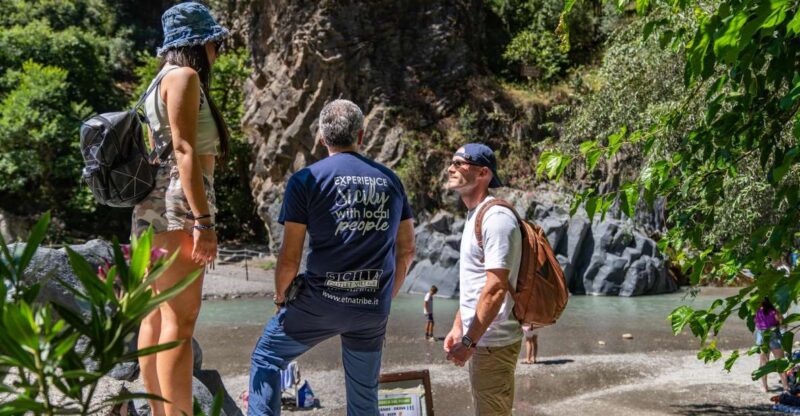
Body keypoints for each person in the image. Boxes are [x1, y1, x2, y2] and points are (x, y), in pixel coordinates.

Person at [248, 99, 416, 415]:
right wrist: (384, 299)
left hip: (319, 303)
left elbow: (289, 257)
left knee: (267, 357)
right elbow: (407, 250)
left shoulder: (306, 180)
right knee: (364, 401)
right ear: (361, 136)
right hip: (370, 306)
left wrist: (281, 296)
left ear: (322, 138)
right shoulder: (391, 180)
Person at [131, 3, 230, 414]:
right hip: (178, 206)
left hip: (150, 207)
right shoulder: (185, 77)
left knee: (156, 316)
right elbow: (185, 149)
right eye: (216, 42)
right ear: (200, 43)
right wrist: (203, 221)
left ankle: (158, 411)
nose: (218, 51)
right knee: (181, 323)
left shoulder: (157, 82)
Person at [443, 143, 523, 415]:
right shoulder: (475, 215)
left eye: (460, 162)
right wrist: (458, 326)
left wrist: (468, 342)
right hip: (482, 340)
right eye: (451, 162)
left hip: (493, 343)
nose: (451, 167)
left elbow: (496, 288)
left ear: (483, 173)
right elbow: (475, 284)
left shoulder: (496, 218)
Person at [756, 298, 790, 392]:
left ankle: (764, 387)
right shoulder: (774, 311)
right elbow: (783, 324)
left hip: (762, 337)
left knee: (764, 363)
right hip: (774, 336)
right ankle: (786, 387)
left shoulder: (758, 311)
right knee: (780, 362)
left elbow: (757, 323)